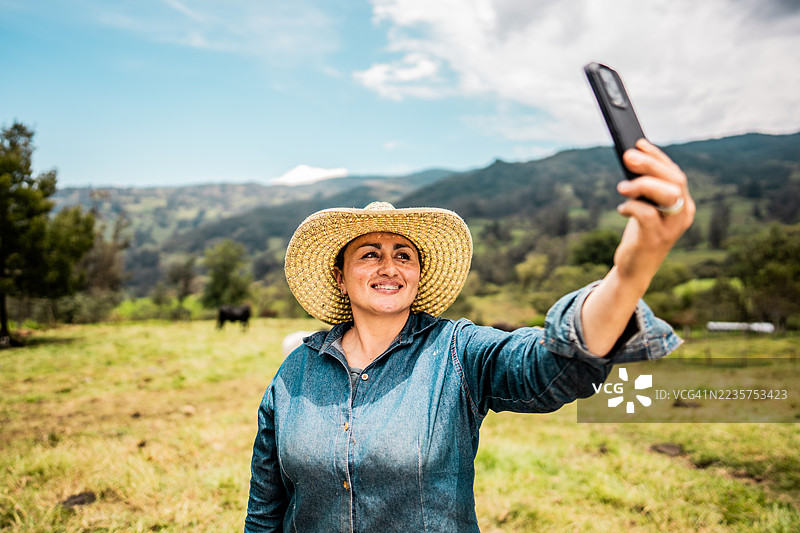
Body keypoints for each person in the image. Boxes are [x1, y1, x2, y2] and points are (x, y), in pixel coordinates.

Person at [245, 139, 695, 532]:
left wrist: (633, 267)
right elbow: (266, 508)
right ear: (341, 278)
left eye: (404, 255)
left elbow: (552, 363)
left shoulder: (458, 352)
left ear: (418, 276)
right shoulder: (296, 371)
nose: (389, 267)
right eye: (369, 254)